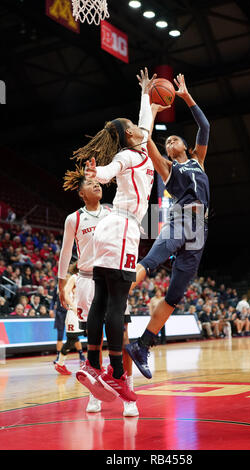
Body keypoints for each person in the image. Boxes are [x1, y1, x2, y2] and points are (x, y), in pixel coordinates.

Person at [75, 68, 166, 402]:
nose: (140, 129)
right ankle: (115, 374)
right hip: (122, 229)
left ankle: (91, 365)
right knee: (117, 302)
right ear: (129, 136)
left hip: (108, 230)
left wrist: (145, 94)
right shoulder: (130, 155)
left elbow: (145, 124)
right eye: (134, 128)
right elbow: (110, 170)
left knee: (101, 299)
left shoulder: (140, 149)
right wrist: (95, 172)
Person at [125, 73, 210, 379]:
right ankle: (118, 287)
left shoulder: (198, 160)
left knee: (175, 295)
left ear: (187, 146)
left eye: (175, 139)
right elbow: (144, 138)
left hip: (200, 229)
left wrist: (186, 96)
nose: (171, 141)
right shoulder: (167, 168)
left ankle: (142, 345)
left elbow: (205, 126)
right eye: (168, 141)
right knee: (151, 261)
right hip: (179, 219)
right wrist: (149, 104)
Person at [58, 165, 138, 416]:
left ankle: (128, 395)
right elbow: (64, 251)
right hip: (86, 280)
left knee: (122, 338)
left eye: (99, 183)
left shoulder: (113, 212)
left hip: (113, 277)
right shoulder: (74, 218)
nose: (97, 185)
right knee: (95, 341)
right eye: (91, 184)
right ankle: (95, 394)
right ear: (81, 193)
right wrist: (62, 283)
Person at [54, 265, 86, 376]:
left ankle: (92, 364)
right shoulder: (74, 277)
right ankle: (60, 363)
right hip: (74, 313)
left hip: (86, 312)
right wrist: (73, 306)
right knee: (71, 340)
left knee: (93, 336)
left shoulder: (88, 278)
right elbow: (65, 293)